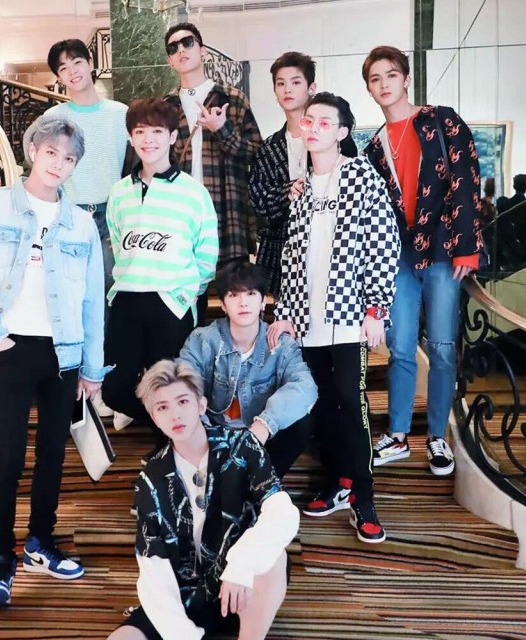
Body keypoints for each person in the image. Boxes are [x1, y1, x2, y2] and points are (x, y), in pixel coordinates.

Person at [0, 114, 110, 606]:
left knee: (53, 456)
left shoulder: (81, 222)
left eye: (69, 158)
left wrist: (92, 367)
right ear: (32, 150)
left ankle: (41, 541)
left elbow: (92, 301)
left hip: (65, 352)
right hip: (11, 346)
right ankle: (0, 561)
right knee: (7, 458)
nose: (59, 164)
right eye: (51, 152)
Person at [268, 92, 401, 543]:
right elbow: (291, 256)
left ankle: (364, 497)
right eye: (309, 121)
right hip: (308, 320)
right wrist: (286, 312)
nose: (313, 128)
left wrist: (376, 308)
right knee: (322, 403)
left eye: (325, 122)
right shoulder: (302, 188)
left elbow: (384, 242)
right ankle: (337, 482)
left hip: (348, 316)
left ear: (343, 132)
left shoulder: (360, 176)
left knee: (351, 400)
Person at [106, 358, 299, 640]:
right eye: (162, 407)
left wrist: (241, 565)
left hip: (240, 585)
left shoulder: (241, 446)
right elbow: (153, 564)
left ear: (201, 404)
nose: (175, 415)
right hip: (184, 596)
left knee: (274, 559)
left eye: (183, 401)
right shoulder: (151, 476)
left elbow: (282, 512)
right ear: (154, 418)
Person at [362, 45, 483, 476]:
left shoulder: (441, 120)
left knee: (444, 346)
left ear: (406, 78)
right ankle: (397, 435)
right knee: (400, 347)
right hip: (399, 256)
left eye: (390, 75)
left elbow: (466, 178)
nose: (383, 84)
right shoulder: (374, 146)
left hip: (444, 250)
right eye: (375, 79)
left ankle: (437, 437)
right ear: (369, 88)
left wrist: (467, 245)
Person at [101, 98, 218, 440]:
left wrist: (185, 294)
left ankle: (168, 449)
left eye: (156, 131)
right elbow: (118, 243)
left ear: (172, 137)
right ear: (130, 137)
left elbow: (206, 253)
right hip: (126, 300)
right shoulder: (119, 193)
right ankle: (168, 428)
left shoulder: (193, 193)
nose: (148, 139)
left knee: (170, 387)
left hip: (171, 302)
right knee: (114, 389)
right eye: (140, 132)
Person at [46, 38, 128, 418]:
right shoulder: (54, 119)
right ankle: (76, 387)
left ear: (91, 63)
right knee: (75, 302)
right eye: (63, 68)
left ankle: (107, 386)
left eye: (76, 62)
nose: (72, 72)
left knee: (110, 301)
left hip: (114, 216)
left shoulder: (120, 114)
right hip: (73, 216)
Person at [179, 262, 317, 478]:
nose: (243, 302)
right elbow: (183, 381)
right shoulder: (203, 339)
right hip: (215, 434)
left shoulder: (280, 345)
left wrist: (265, 424)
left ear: (263, 302)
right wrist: (202, 425)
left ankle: (264, 481)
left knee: (302, 420)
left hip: (262, 436)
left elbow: (305, 386)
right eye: (234, 295)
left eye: (251, 294)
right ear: (223, 305)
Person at [163, 22, 262, 277]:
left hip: (227, 211)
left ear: (203, 50)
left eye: (188, 43)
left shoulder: (231, 98)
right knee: (185, 290)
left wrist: (222, 129)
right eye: (173, 48)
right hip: (181, 214)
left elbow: (256, 154)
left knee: (232, 291)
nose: (181, 50)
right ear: (170, 61)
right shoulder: (166, 107)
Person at [248, 52, 317, 298]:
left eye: (296, 82)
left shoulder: (330, 137)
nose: (287, 89)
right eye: (281, 83)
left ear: (311, 88)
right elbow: (258, 200)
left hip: (325, 244)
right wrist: (287, 191)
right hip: (281, 252)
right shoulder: (268, 148)